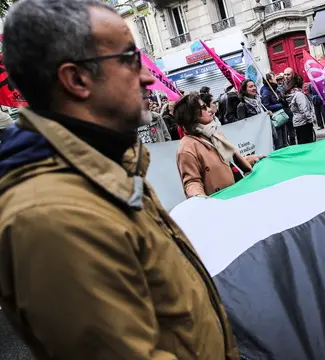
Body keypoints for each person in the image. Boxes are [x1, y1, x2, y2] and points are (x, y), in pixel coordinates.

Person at [0, 1, 238, 358]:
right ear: (77, 79)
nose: (147, 77)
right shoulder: (53, 218)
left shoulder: (111, 166)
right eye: (129, 58)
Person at [175, 93, 263, 197]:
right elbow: (192, 182)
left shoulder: (215, 134)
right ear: (191, 115)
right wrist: (199, 200)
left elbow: (227, 163)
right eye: (203, 107)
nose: (209, 109)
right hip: (224, 202)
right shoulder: (187, 148)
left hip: (242, 192)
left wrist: (250, 159)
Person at [262, 72, 294, 147]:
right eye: (274, 77)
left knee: (285, 137)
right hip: (275, 117)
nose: (275, 78)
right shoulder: (266, 92)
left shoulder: (275, 88)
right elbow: (266, 106)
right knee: (279, 140)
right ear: (269, 80)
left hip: (281, 115)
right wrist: (279, 105)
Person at [285, 74, 316, 144]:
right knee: (307, 143)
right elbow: (304, 109)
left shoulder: (292, 94)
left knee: (302, 142)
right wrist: (311, 119)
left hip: (298, 122)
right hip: (304, 123)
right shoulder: (299, 95)